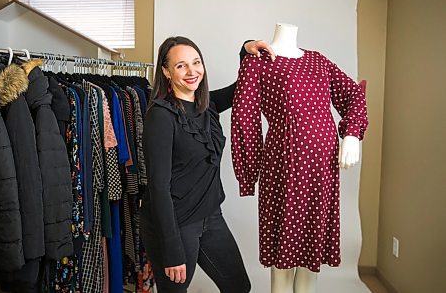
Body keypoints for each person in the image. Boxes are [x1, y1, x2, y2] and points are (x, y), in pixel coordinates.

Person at [231, 23, 368, 293]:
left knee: (310, 259)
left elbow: (354, 95)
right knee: (283, 261)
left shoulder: (319, 61)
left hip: (323, 170)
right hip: (285, 167)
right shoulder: (257, 62)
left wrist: (352, 134)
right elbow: (244, 119)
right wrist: (249, 174)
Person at [140, 36, 274, 293]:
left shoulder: (206, 105)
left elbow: (241, 87)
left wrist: (244, 49)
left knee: (238, 286)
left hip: (210, 216)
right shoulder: (160, 116)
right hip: (175, 223)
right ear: (166, 72)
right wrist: (171, 249)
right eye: (181, 66)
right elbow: (158, 189)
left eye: (196, 62)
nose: (192, 71)